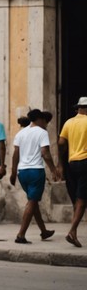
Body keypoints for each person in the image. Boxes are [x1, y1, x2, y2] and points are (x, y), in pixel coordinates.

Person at [10, 109, 59, 244]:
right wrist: (54, 170)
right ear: (39, 119)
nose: (46, 123)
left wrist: (13, 172)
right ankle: (21, 235)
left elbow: (16, 154)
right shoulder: (42, 132)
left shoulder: (21, 133)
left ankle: (43, 231)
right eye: (44, 120)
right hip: (35, 171)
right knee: (32, 202)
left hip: (22, 172)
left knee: (33, 201)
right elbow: (45, 152)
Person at [57, 96, 87, 248]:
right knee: (82, 200)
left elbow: (61, 143)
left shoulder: (69, 122)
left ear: (78, 109)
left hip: (72, 163)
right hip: (85, 161)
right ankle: (72, 231)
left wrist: (61, 164)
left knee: (77, 199)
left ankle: (74, 231)